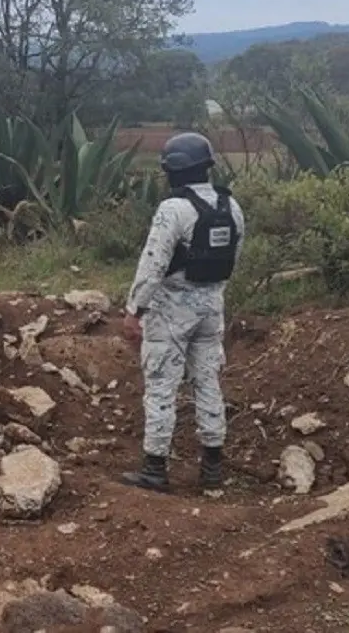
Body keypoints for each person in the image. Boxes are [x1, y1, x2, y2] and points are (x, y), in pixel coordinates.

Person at [119, 132, 245, 492]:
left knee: (161, 386)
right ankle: (213, 471)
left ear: (172, 171)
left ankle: (155, 469)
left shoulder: (172, 209)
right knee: (208, 383)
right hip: (211, 307)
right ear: (206, 166)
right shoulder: (231, 207)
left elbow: (152, 265)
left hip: (171, 311)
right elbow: (232, 260)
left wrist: (134, 311)